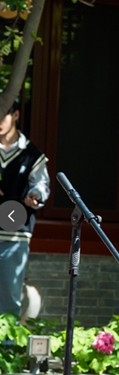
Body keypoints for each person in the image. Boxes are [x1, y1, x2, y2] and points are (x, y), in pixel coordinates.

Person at [0, 107, 48, 316]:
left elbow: (41, 186)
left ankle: (7, 348)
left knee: (9, 296)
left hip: (14, 234)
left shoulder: (32, 155)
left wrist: (35, 196)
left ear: (16, 115)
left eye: (2, 114)